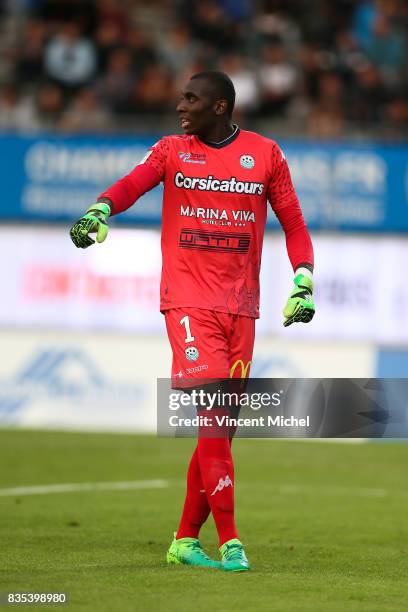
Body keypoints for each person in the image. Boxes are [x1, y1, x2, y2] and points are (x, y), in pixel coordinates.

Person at [69, 70, 315, 572]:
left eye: (191, 99)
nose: (181, 106)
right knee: (213, 415)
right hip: (188, 302)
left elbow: (293, 220)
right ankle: (230, 541)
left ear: (220, 106)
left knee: (219, 432)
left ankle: (184, 540)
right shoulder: (171, 150)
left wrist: (304, 278)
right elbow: (133, 183)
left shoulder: (266, 154)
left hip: (242, 307)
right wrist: (101, 209)